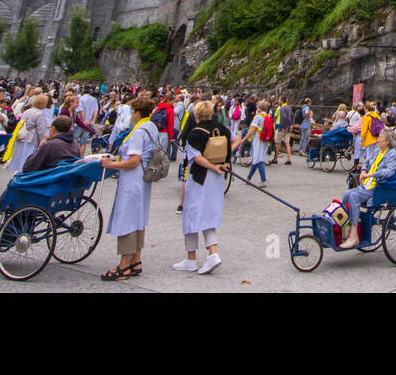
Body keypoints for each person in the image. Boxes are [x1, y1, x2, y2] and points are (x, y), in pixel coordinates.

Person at [173, 103, 237, 275]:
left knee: (191, 215)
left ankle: (192, 258)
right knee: (208, 215)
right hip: (216, 179)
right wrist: (225, 158)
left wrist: (213, 166)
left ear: (196, 115)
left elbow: (197, 158)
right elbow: (236, 139)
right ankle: (211, 254)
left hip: (200, 177)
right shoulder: (221, 128)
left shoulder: (195, 133)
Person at [100, 97, 158, 281]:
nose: (131, 113)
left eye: (133, 110)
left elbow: (133, 161)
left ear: (138, 112)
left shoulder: (138, 132)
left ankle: (124, 265)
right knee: (139, 218)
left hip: (133, 180)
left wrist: (111, 164)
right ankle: (136, 260)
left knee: (127, 219)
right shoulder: (152, 127)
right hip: (143, 179)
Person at [339, 128, 396, 249]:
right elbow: (366, 161)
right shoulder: (378, 150)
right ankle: (346, 229)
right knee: (346, 194)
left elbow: (389, 171)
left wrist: (371, 174)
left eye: (380, 138)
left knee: (354, 197)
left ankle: (354, 235)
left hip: (377, 188)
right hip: (366, 184)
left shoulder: (392, 155)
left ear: (387, 141)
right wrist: (363, 170)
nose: (378, 140)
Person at [3, 93, 52, 180]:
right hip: (31, 139)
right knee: (27, 158)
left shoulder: (27, 111)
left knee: (20, 157)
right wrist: (42, 142)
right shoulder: (40, 114)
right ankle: (23, 176)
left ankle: (17, 174)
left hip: (22, 136)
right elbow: (41, 130)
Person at [243, 100, 270, 186]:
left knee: (258, 160)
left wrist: (244, 139)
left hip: (258, 140)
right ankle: (248, 178)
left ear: (259, 108)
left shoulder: (258, 117)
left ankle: (264, 180)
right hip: (265, 140)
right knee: (257, 158)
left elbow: (252, 130)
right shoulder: (267, 116)